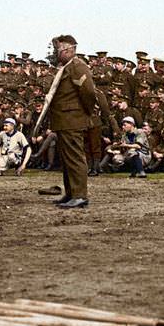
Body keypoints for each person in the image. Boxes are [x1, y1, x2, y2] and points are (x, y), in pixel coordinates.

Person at [46, 34, 96, 208]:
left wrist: (84, 113)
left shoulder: (78, 67)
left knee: (74, 158)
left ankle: (80, 195)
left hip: (72, 120)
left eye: (57, 49)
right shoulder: (66, 67)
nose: (55, 53)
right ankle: (71, 193)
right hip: (64, 120)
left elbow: (89, 93)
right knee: (67, 159)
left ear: (68, 50)